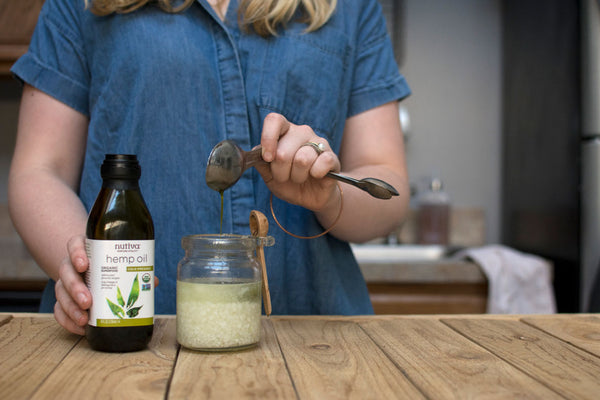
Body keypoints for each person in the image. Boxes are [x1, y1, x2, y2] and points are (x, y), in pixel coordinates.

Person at [8, 0, 410, 335]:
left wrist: (331, 195)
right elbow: (40, 171)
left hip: (316, 341)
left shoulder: (352, 7)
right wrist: (82, 262)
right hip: (123, 335)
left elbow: (389, 189)